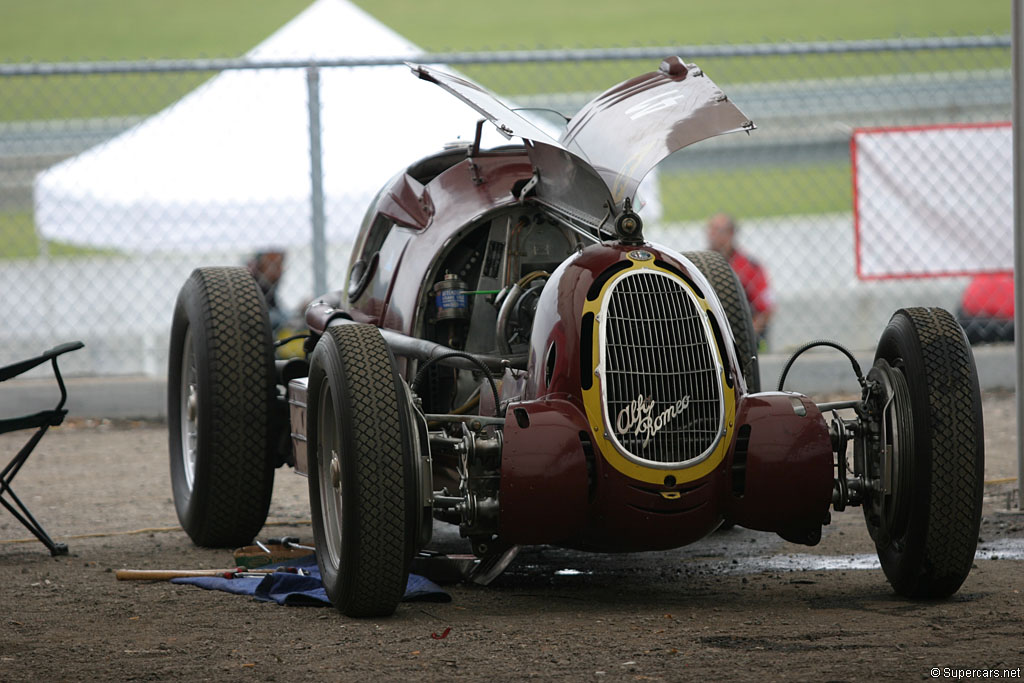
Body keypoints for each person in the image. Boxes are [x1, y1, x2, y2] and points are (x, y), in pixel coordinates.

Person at [706, 212, 775, 345]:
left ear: (731, 233)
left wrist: (746, 338)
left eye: (717, 230)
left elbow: (766, 309)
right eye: (710, 229)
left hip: (745, 337)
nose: (712, 235)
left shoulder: (749, 267)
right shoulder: (701, 265)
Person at [246, 250, 286, 332]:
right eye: (274, 264)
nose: (280, 269)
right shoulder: (254, 283)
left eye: (279, 264)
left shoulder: (269, 284)